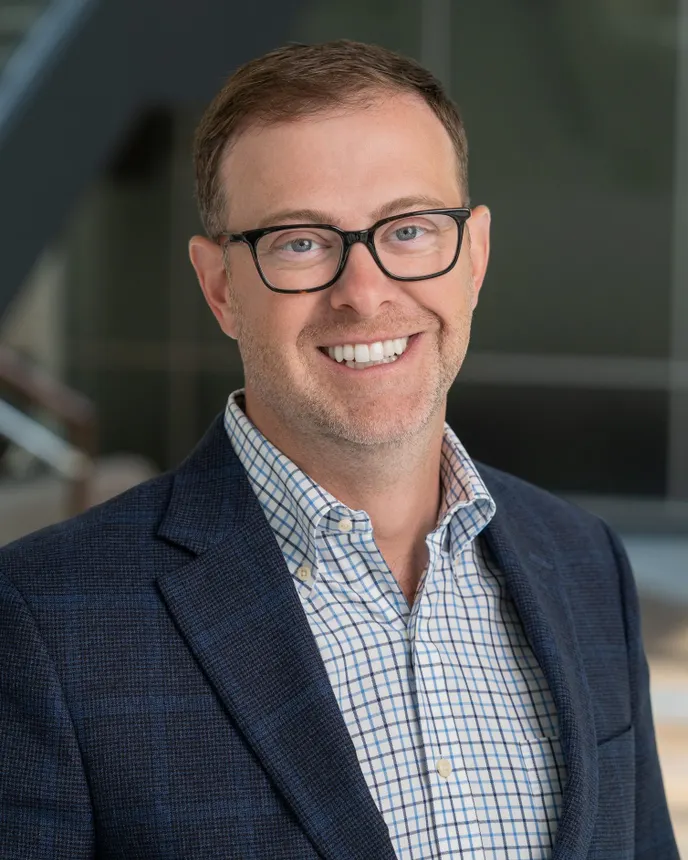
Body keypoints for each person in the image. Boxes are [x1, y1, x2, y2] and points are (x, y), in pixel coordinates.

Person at [0, 40, 678, 860]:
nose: (365, 293)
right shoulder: (46, 621)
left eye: (411, 229)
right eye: (299, 242)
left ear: (475, 258)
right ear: (220, 288)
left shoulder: (584, 566)